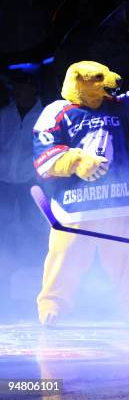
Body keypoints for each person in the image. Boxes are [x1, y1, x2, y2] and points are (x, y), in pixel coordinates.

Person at [32, 61, 129, 326]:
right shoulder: (57, 112)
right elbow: (44, 157)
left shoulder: (113, 104)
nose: (109, 82)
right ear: (79, 81)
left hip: (121, 203)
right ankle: (53, 306)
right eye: (97, 78)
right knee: (65, 260)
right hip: (76, 208)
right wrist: (76, 160)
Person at [0, 71, 45, 313]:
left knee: (33, 229)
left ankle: (32, 280)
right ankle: (4, 280)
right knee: (3, 230)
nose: (17, 92)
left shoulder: (44, 115)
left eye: (22, 87)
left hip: (30, 182)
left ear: (32, 88)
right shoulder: (5, 115)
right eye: (15, 88)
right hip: (4, 181)